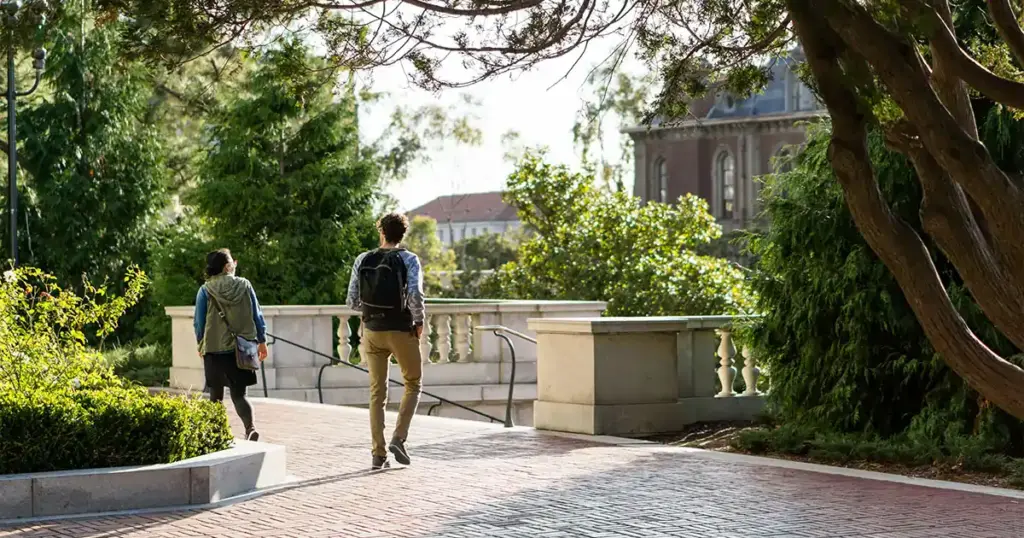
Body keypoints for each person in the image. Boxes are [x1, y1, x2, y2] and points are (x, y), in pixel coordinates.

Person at [346, 213, 425, 470]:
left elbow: (352, 301)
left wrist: (372, 311)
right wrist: (418, 320)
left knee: (377, 393)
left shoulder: (363, 259)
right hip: (401, 330)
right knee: (413, 383)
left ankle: (378, 454)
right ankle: (398, 439)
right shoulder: (409, 259)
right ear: (402, 234)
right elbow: (414, 293)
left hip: (372, 330)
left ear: (381, 231)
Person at [195, 248, 269, 441]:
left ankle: (214, 433)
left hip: (214, 349)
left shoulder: (205, 290)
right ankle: (250, 428)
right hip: (242, 348)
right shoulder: (245, 285)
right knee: (239, 395)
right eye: (232, 263)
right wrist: (262, 341)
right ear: (228, 266)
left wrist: (200, 343)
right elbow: (257, 315)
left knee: (215, 395)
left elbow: (199, 322)